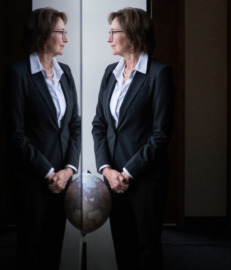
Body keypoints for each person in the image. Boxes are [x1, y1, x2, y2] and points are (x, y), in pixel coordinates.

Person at [91, 7, 175, 270]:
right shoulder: (110, 73)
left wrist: (128, 172)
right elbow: (99, 125)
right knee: (123, 248)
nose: (109, 38)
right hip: (113, 180)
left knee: (147, 250)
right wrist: (107, 170)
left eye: (114, 32)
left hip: (145, 179)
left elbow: (161, 134)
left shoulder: (159, 74)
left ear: (134, 36)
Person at [6, 7, 81, 270]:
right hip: (32, 179)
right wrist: (48, 172)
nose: (66, 38)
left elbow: (74, 125)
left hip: (62, 180)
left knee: (53, 248)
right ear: (42, 35)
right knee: (29, 250)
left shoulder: (66, 73)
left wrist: (67, 170)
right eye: (61, 32)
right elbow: (16, 134)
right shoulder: (18, 73)